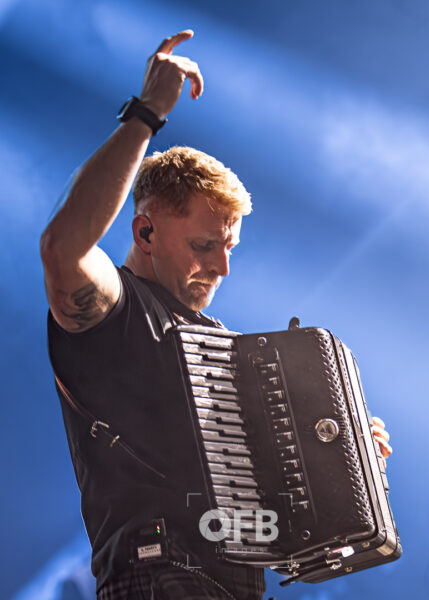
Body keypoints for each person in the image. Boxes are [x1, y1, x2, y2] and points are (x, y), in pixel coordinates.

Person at [40, 30, 393, 600]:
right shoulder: (116, 308)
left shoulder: (225, 347)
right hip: (154, 581)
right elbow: (62, 247)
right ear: (145, 232)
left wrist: (343, 467)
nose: (223, 267)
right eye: (205, 245)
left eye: (230, 248)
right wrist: (147, 113)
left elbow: (267, 529)